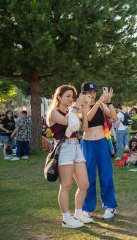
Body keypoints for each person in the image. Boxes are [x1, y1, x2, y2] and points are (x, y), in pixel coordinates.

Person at [46, 84, 91, 228]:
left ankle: (78, 213)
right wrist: (77, 105)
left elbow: (84, 129)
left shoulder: (72, 110)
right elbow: (66, 122)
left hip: (76, 146)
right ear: (59, 97)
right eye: (68, 96)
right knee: (66, 185)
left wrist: (83, 112)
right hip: (63, 147)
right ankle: (66, 218)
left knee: (84, 184)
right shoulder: (53, 112)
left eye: (72, 96)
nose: (71, 99)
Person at [80, 82, 118, 220]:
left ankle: (110, 206)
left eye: (94, 92)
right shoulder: (79, 106)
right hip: (88, 144)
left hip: (102, 142)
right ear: (83, 93)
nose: (92, 94)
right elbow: (88, 118)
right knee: (88, 177)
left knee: (106, 175)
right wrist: (98, 102)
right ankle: (88, 208)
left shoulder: (101, 104)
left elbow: (113, 117)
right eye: (89, 92)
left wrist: (109, 102)